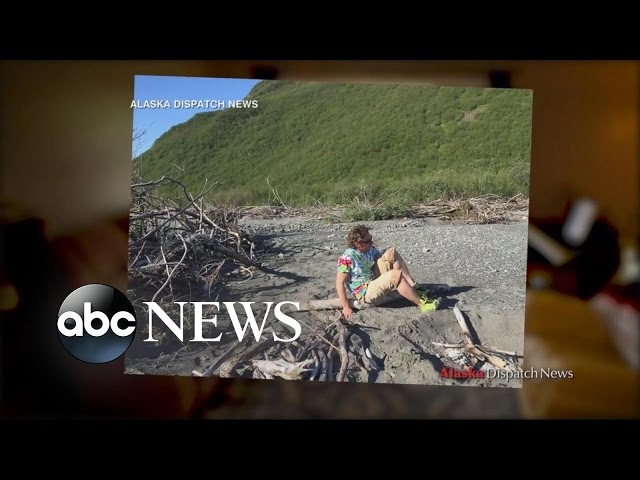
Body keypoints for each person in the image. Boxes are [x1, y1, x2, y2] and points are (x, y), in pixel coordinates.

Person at [336, 224, 439, 319]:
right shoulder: (346, 258)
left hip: (372, 279)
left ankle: (413, 287)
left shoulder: (369, 249)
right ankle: (422, 304)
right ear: (358, 244)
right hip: (364, 292)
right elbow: (339, 283)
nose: (371, 242)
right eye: (368, 241)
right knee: (395, 275)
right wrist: (346, 307)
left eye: (371, 239)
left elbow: (384, 259)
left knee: (391, 252)